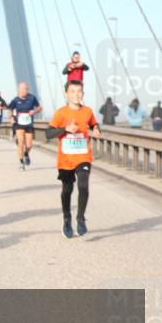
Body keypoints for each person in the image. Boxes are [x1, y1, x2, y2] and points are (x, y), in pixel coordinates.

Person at [46, 80, 101, 238]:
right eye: (72, 91)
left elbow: (94, 124)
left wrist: (96, 129)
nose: (76, 94)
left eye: (79, 91)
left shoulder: (88, 111)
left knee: (83, 186)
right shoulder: (61, 113)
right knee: (67, 190)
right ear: (66, 94)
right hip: (65, 159)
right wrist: (65, 129)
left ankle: (80, 218)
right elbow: (49, 133)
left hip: (83, 156)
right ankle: (67, 219)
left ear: (83, 94)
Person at [6, 83, 42, 170]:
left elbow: (39, 108)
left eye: (25, 89)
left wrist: (34, 111)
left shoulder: (32, 98)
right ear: (19, 90)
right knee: (21, 143)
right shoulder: (15, 100)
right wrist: (11, 117)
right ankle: (21, 162)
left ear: (27, 89)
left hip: (29, 124)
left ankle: (26, 154)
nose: (23, 91)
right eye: (21, 89)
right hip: (19, 124)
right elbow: (10, 109)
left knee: (29, 145)